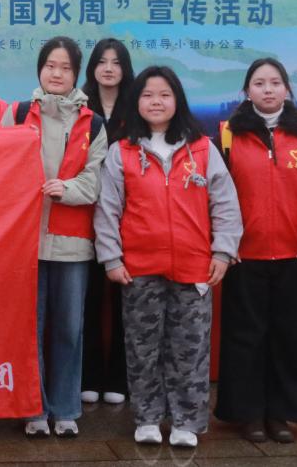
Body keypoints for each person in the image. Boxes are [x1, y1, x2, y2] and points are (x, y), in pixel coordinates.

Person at [94, 66, 243, 448]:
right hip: (139, 268)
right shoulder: (122, 151)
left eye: (164, 94)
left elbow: (225, 204)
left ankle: (186, 422)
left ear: (178, 100)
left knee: (189, 350)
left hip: (194, 268)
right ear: (135, 102)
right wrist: (112, 258)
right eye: (147, 95)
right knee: (142, 348)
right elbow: (108, 208)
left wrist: (223, 251)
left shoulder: (202, 148)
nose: (156, 102)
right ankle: (146, 417)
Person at [215, 58, 297, 444]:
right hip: (244, 258)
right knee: (245, 339)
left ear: (287, 89)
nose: (267, 89)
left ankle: (281, 414)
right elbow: (213, 197)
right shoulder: (227, 136)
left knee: (292, 338)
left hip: (295, 257)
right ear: (246, 91)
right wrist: (223, 245)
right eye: (259, 83)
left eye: (275, 82)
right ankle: (249, 414)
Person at [7, 37, 108, 439]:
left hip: (72, 242)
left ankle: (65, 408)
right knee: (27, 329)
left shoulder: (93, 124)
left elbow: (96, 180)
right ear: (39, 68)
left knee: (69, 328)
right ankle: (33, 408)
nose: (56, 73)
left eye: (65, 68)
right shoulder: (17, 115)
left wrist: (66, 188)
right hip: (23, 242)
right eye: (50, 65)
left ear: (76, 74)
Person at [78, 39, 134, 407]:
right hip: (84, 213)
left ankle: (120, 376)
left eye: (116, 62)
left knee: (126, 300)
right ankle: (89, 374)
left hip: (129, 216)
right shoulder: (80, 106)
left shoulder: (137, 106)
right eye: (102, 61)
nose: (109, 68)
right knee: (89, 298)